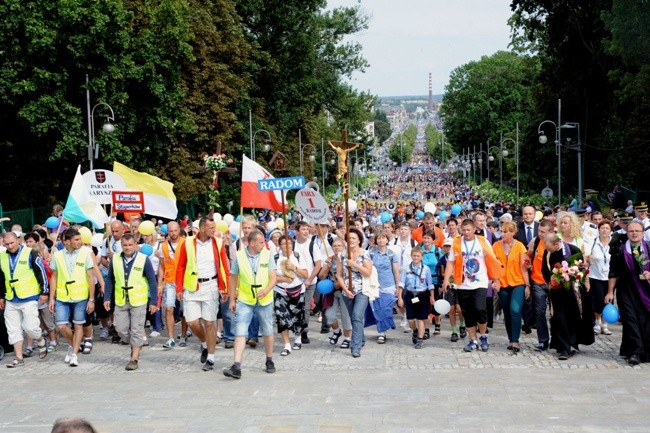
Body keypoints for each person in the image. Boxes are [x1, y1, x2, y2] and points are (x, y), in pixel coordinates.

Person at [441, 219, 504, 353]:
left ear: (474, 229)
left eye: (468, 230)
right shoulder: (457, 242)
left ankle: (483, 336)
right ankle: (472, 340)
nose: (466, 233)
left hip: (480, 281)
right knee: (467, 313)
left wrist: (496, 279)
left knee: (480, 309)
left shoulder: (482, 241)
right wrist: (446, 279)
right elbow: (450, 262)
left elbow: (492, 261)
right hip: (463, 283)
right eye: (463, 230)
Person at [176, 217, 230, 371]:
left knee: (209, 322)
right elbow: (180, 266)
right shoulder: (187, 242)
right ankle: (205, 342)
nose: (214, 230)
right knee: (192, 322)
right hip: (192, 286)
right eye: (211, 228)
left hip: (211, 286)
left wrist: (224, 288)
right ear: (202, 228)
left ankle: (211, 358)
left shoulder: (218, 242)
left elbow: (224, 266)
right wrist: (179, 288)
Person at [223, 229, 277, 378]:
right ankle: (236, 365)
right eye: (260, 242)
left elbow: (273, 277)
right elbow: (233, 278)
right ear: (252, 243)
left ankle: (269, 359)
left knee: (267, 330)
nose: (263, 244)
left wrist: (266, 290)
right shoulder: (239, 256)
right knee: (240, 331)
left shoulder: (268, 254)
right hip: (245, 299)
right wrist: (232, 299)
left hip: (264, 300)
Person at [103, 233, 158, 370]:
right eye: (125, 245)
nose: (127, 248)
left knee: (137, 329)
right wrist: (107, 297)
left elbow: (152, 280)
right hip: (121, 299)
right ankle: (135, 344)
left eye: (130, 245)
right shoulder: (115, 259)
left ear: (135, 245)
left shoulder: (143, 259)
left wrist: (153, 301)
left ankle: (134, 358)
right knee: (120, 329)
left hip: (138, 300)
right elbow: (110, 279)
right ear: (121, 246)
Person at [542, 233, 594, 360]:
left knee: (571, 317)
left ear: (556, 243)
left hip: (573, 291)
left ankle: (570, 343)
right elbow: (544, 270)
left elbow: (582, 268)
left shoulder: (572, 250)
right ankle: (564, 347)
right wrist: (552, 280)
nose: (546, 248)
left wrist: (575, 278)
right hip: (556, 292)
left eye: (548, 246)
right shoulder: (547, 254)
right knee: (559, 317)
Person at [0, 232, 49, 367]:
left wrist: (44, 291)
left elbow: (41, 272)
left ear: (18, 240)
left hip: (29, 296)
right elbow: (1, 278)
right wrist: (1, 296)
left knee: (31, 327)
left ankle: (41, 340)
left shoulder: (30, 253)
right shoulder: (2, 256)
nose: (10, 246)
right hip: (11, 297)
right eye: (7, 244)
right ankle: (18, 357)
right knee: (13, 329)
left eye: (12, 243)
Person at [49, 228, 95, 367]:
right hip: (63, 296)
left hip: (80, 295)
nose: (79, 242)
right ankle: (74, 344)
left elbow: (90, 277)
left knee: (78, 324)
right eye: (76, 240)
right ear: (66, 241)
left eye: (80, 239)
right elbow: (54, 277)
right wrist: (52, 297)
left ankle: (74, 354)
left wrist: (91, 299)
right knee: (62, 326)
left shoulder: (84, 254)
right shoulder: (57, 256)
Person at [606, 221, 650, 365]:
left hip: (646, 291)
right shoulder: (619, 249)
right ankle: (636, 352)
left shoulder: (648, 248)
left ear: (643, 233)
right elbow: (613, 272)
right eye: (631, 231)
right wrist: (610, 292)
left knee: (645, 320)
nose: (634, 233)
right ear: (627, 232)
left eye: (637, 231)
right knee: (631, 320)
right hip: (626, 291)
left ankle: (644, 350)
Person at [492, 221, 530, 352]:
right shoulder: (496, 246)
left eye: (505, 232)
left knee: (515, 309)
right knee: (507, 312)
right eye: (501, 231)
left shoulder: (520, 247)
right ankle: (511, 338)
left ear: (512, 233)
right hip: (502, 283)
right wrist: (495, 281)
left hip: (517, 282)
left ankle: (515, 340)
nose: (502, 234)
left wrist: (527, 285)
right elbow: (493, 266)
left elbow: (524, 268)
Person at [337, 228, 372, 358]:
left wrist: (354, 265)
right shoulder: (342, 255)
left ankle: (355, 347)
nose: (351, 240)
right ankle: (361, 339)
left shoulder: (364, 254)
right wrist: (345, 290)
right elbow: (339, 275)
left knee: (357, 316)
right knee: (354, 318)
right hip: (347, 290)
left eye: (353, 238)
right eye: (349, 238)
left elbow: (368, 272)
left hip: (362, 289)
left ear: (359, 240)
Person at [273, 235, 308, 355]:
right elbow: (270, 276)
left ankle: (298, 338)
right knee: (281, 317)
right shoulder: (275, 258)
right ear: (279, 245)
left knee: (298, 316)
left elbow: (305, 274)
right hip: (281, 291)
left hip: (298, 290)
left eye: (289, 244)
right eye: (283, 244)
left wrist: (294, 268)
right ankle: (286, 345)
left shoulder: (297, 256)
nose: (287, 246)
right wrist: (282, 279)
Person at [157, 221, 187, 349]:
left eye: (175, 230)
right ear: (167, 232)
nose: (173, 233)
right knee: (169, 308)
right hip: (169, 281)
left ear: (179, 230)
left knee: (185, 311)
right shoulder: (163, 246)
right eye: (171, 231)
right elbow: (162, 266)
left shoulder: (186, 243)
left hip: (184, 281)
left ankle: (184, 335)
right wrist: (160, 283)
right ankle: (170, 338)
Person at [397, 246, 433, 349]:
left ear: (421, 257)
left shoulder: (426, 269)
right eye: (414, 255)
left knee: (421, 318)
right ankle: (415, 331)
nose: (416, 257)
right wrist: (399, 297)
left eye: (418, 256)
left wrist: (432, 297)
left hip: (422, 295)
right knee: (411, 319)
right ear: (411, 256)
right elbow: (401, 283)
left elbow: (430, 285)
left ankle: (420, 339)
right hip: (410, 294)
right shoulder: (406, 269)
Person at [293, 221, 322, 344]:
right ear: (297, 231)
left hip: (309, 282)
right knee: (295, 307)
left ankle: (304, 330)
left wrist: (309, 280)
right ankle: (296, 329)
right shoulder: (292, 245)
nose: (306, 231)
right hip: (295, 281)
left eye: (307, 229)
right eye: (303, 229)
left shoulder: (312, 245)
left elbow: (318, 264)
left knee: (305, 307)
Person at [527, 219, 554, 351]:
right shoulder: (536, 241)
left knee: (555, 313)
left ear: (551, 231)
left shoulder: (554, 244)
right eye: (539, 231)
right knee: (539, 312)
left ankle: (557, 339)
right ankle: (543, 340)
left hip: (552, 283)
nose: (540, 234)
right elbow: (529, 256)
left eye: (543, 232)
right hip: (537, 282)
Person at [368, 230, 399, 343]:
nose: (381, 240)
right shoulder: (371, 253)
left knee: (386, 308)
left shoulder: (391, 254)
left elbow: (396, 272)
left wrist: (397, 287)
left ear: (387, 240)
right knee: (377, 308)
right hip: (375, 285)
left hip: (388, 284)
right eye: (379, 238)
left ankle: (385, 327)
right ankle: (381, 331)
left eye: (383, 238)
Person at [321, 238, 352, 349]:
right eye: (335, 246)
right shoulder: (329, 259)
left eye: (339, 245)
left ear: (343, 247)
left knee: (346, 316)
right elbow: (321, 276)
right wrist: (326, 267)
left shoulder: (348, 259)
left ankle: (347, 338)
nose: (337, 248)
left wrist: (339, 284)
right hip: (331, 291)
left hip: (345, 290)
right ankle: (336, 331)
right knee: (329, 315)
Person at [585, 220, 613, 335]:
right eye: (602, 228)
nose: (604, 230)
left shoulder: (613, 242)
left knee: (609, 300)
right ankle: (597, 322)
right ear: (599, 230)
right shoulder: (593, 242)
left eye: (607, 228)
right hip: (595, 276)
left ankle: (605, 323)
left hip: (610, 277)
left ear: (610, 230)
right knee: (598, 299)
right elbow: (586, 257)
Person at [437, 237, 466, 341]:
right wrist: (443, 282)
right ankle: (454, 331)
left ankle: (462, 325)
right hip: (449, 286)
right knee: (451, 309)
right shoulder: (442, 259)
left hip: (460, 284)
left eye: (449, 246)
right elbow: (441, 273)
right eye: (446, 246)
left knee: (460, 308)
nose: (448, 248)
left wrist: (453, 274)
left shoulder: (460, 256)